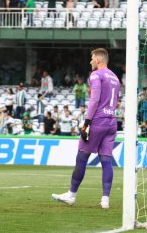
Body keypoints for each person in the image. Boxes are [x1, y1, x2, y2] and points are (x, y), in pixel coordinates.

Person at [52, 48, 120, 209]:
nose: (90, 61)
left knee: (82, 157)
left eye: (91, 58)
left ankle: (71, 195)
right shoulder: (115, 78)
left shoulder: (96, 75)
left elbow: (94, 100)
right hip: (112, 122)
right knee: (106, 159)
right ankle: (105, 200)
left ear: (98, 59)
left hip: (98, 121)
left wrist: (86, 123)